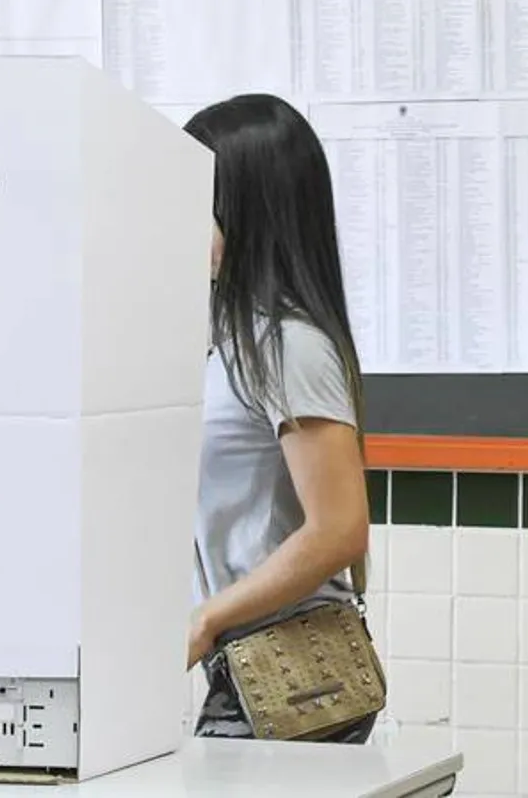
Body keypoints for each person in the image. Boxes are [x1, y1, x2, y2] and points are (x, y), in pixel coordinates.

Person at [183, 94, 375, 743]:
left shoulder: (288, 345)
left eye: (193, 199)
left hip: (290, 673)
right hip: (245, 666)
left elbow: (340, 529)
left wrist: (206, 619)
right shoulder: (234, 339)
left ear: (246, 211)